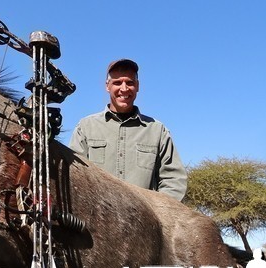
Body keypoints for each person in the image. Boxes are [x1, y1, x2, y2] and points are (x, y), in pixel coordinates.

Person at [69, 59, 187, 201]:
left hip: (146, 221)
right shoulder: (86, 127)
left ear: (137, 86)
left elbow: (174, 180)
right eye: (117, 83)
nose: (124, 89)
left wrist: (159, 213)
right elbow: (74, 177)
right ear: (107, 86)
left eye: (130, 82)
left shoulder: (157, 130)